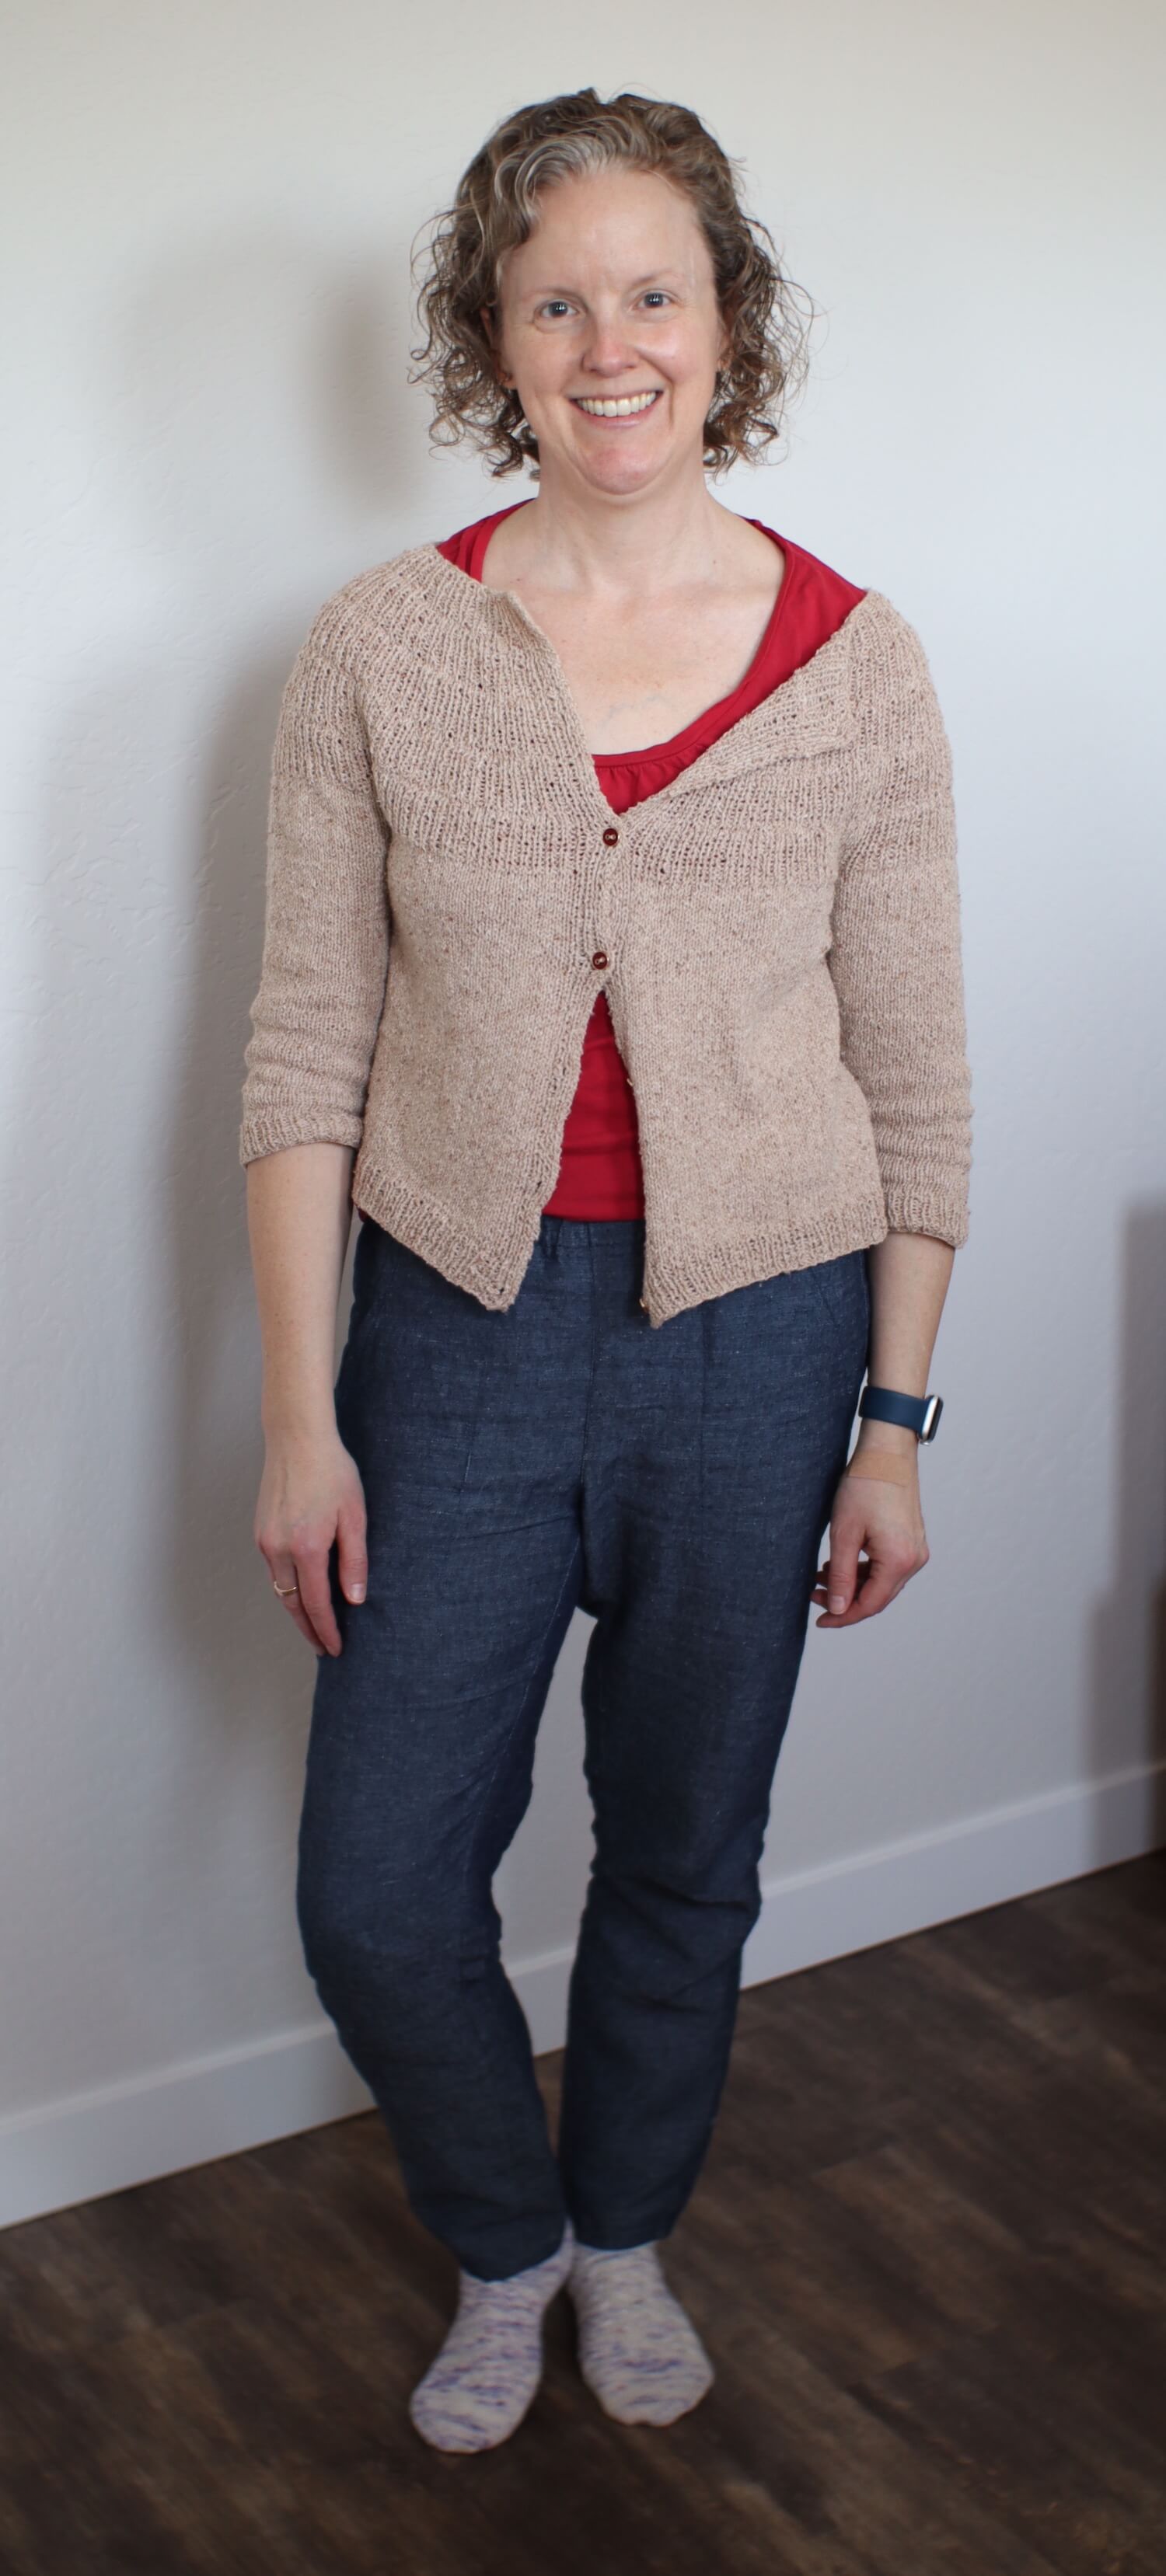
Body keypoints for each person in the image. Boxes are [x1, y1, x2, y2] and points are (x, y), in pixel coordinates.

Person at [238, 87, 972, 2456]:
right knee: (373, 1888)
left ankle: (627, 2222)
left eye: (653, 288)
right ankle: (505, 2233)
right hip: (447, 1332)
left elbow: (918, 1074)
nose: (607, 338)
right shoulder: (379, 643)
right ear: (491, 336)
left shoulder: (855, 665)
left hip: (759, 1347)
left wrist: (892, 1415)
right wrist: (292, 1410)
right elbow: (299, 1048)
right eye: (553, 296)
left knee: (682, 1847)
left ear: (727, 323)